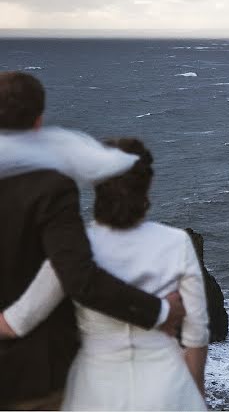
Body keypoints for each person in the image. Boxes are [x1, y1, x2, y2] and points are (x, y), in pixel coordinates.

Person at [0, 71, 185, 409]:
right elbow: (78, 276)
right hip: (28, 376)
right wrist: (159, 311)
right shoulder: (50, 188)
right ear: (39, 121)